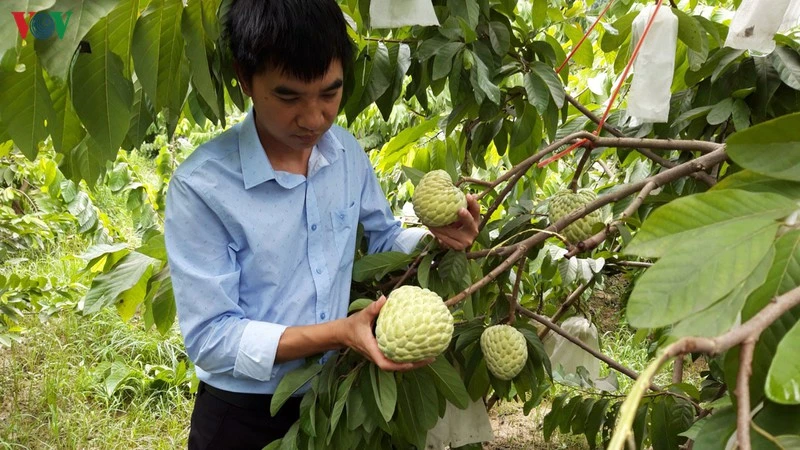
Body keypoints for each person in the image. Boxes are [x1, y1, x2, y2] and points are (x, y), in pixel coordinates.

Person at [163, 0, 480, 448]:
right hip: (242, 415)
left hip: (335, 397)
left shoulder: (346, 153)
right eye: (288, 96)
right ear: (244, 79)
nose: (313, 119)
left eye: (329, 94)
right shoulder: (202, 187)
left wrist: (439, 239)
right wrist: (337, 333)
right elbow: (212, 339)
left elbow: (384, 238)